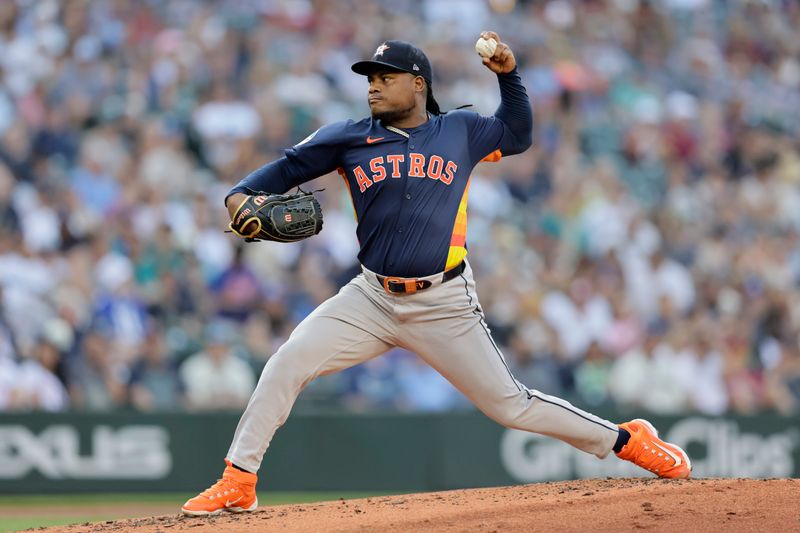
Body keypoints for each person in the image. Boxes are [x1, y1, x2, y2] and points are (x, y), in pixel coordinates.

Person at [181, 32, 691, 517]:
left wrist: (509, 75)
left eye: (386, 75)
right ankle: (239, 480)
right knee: (286, 363)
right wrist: (237, 200)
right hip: (371, 298)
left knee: (511, 406)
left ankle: (627, 440)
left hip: (443, 301)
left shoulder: (460, 131)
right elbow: (265, 179)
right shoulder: (347, 138)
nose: (373, 84)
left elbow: (518, 134)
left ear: (418, 83)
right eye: (369, 77)